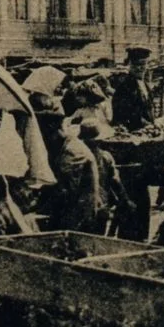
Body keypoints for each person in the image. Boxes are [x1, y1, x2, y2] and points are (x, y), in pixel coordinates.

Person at [34, 98, 104, 233]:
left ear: (52, 131)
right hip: (74, 215)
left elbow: (64, 192)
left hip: (79, 220)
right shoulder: (64, 145)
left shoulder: (72, 154)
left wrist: (36, 207)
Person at [79, 119, 132, 236]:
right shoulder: (105, 157)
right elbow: (115, 181)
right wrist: (126, 199)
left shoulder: (78, 157)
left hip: (81, 206)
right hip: (100, 205)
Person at [111, 47, 153, 131]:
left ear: (147, 65)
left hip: (146, 131)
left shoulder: (146, 86)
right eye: (135, 64)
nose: (139, 68)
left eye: (142, 64)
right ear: (129, 65)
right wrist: (149, 125)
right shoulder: (125, 87)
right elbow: (128, 114)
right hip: (129, 132)